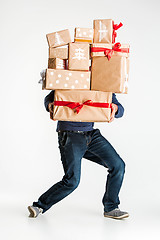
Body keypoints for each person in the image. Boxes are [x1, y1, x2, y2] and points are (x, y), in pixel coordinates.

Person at [28, 90, 129, 219]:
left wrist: (115, 109)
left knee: (118, 165)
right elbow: (49, 99)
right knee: (72, 180)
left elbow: (120, 109)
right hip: (70, 134)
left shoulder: (100, 84)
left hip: (91, 134)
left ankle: (111, 207)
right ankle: (39, 206)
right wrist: (50, 106)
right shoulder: (72, 79)